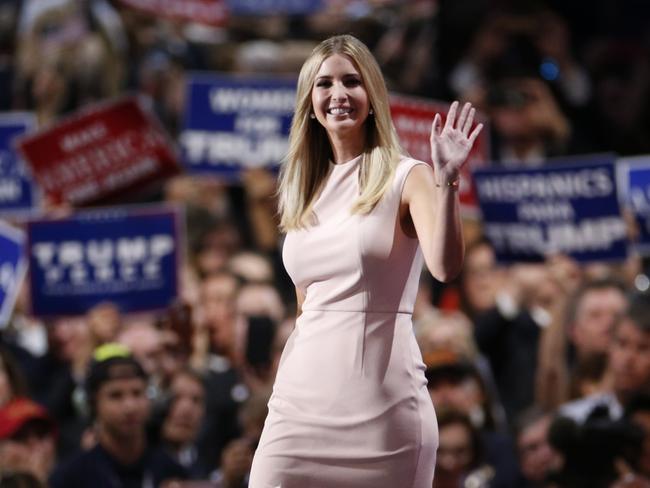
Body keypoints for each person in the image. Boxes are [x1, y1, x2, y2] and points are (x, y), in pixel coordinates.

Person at [248, 34, 482, 487]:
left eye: (352, 82)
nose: (338, 94)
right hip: (298, 409)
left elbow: (445, 267)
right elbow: (306, 307)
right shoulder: (301, 188)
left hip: (383, 412)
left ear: (372, 96)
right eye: (324, 84)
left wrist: (448, 183)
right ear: (309, 101)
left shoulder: (409, 176)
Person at [49, 343, 187, 487]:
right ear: (93, 404)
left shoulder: (172, 472)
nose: (130, 407)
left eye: (137, 393)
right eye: (116, 396)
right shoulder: (70, 478)